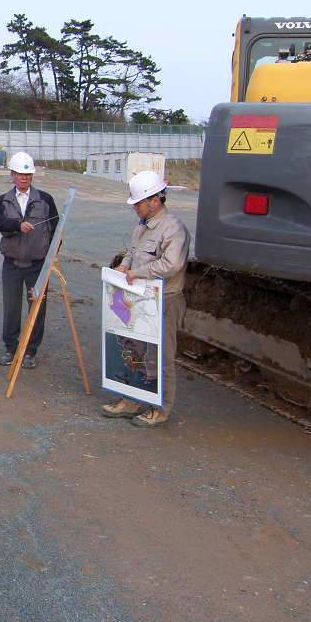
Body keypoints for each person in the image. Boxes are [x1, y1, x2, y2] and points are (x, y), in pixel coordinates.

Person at [101, 170, 189, 428]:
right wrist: (124, 266)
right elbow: (131, 254)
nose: (135, 208)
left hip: (165, 301)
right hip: (140, 299)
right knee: (134, 352)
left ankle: (160, 408)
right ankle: (132, 399)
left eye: (138, 203)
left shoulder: (173, 229)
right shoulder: (141, 228)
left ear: (154, 200)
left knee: (160, 358)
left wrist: (136, 273)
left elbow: (171, 265)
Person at [0, 151, 57, 369]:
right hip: (12, 264)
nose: (24, 178)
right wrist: (16, 226)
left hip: (37, 265)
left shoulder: (45, 200)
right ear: (12, 174)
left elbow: (57, 231)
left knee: (37, 309)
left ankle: (30, 351)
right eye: (20, 174)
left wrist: (52, 258)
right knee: (11, 307)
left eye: (28, 175)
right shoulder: (2, 200)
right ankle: (11, 348)